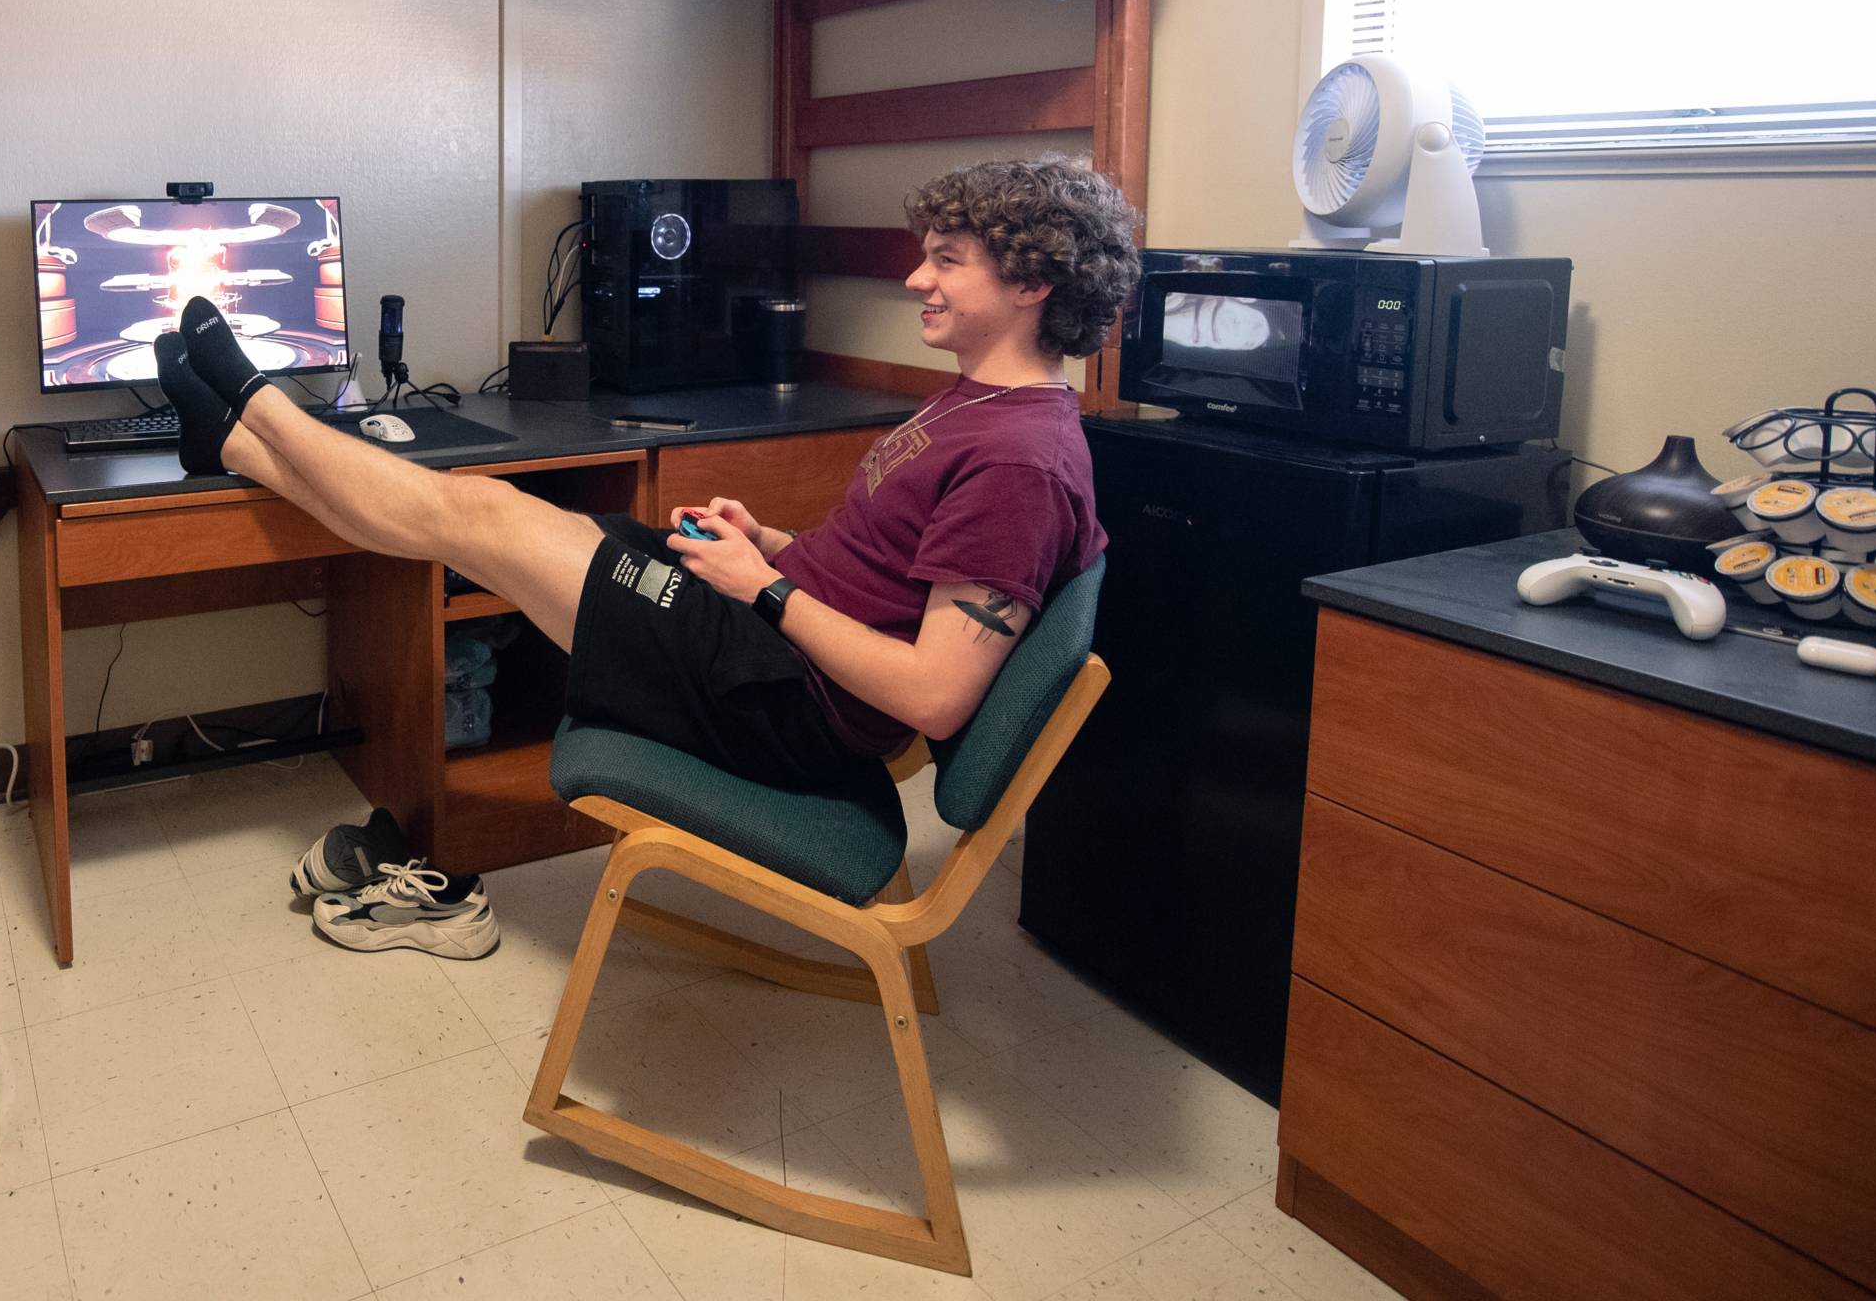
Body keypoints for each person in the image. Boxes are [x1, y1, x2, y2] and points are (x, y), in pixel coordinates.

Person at [153, 155, 1141, 956]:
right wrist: (773, 546)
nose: (914, 278)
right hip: (758, 641)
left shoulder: (1020, 463)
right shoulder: (976, 403)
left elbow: (931, 695)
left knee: (478, 518)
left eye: (946, 260)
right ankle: (238, 442)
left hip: (777, 703)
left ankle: (253, 396)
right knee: (480, 519)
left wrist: (765, 588)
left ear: (1030, 283)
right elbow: (890, 577)